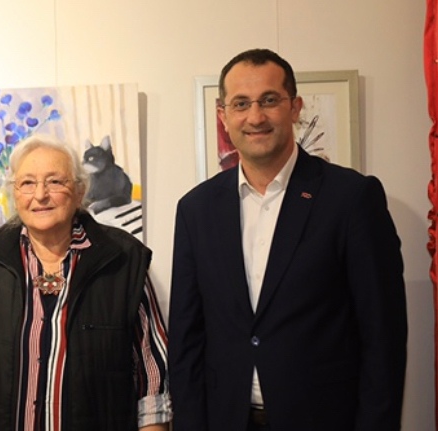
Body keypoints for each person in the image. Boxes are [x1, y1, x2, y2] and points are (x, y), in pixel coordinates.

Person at [168, 48, 407, 431]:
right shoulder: (196, 210)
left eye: (269, 100)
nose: (255, 117)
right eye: (241, 103)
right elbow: (186, 339)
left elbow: (383, 337)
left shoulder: (351, 199)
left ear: (295, 108)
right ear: (223, 116)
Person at [0, 134, 171, 431]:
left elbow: (152, 381)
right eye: (27, 183)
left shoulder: (124, 261)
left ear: (79, 191)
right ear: (14, 193)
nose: (40, 195)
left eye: (54, 182)